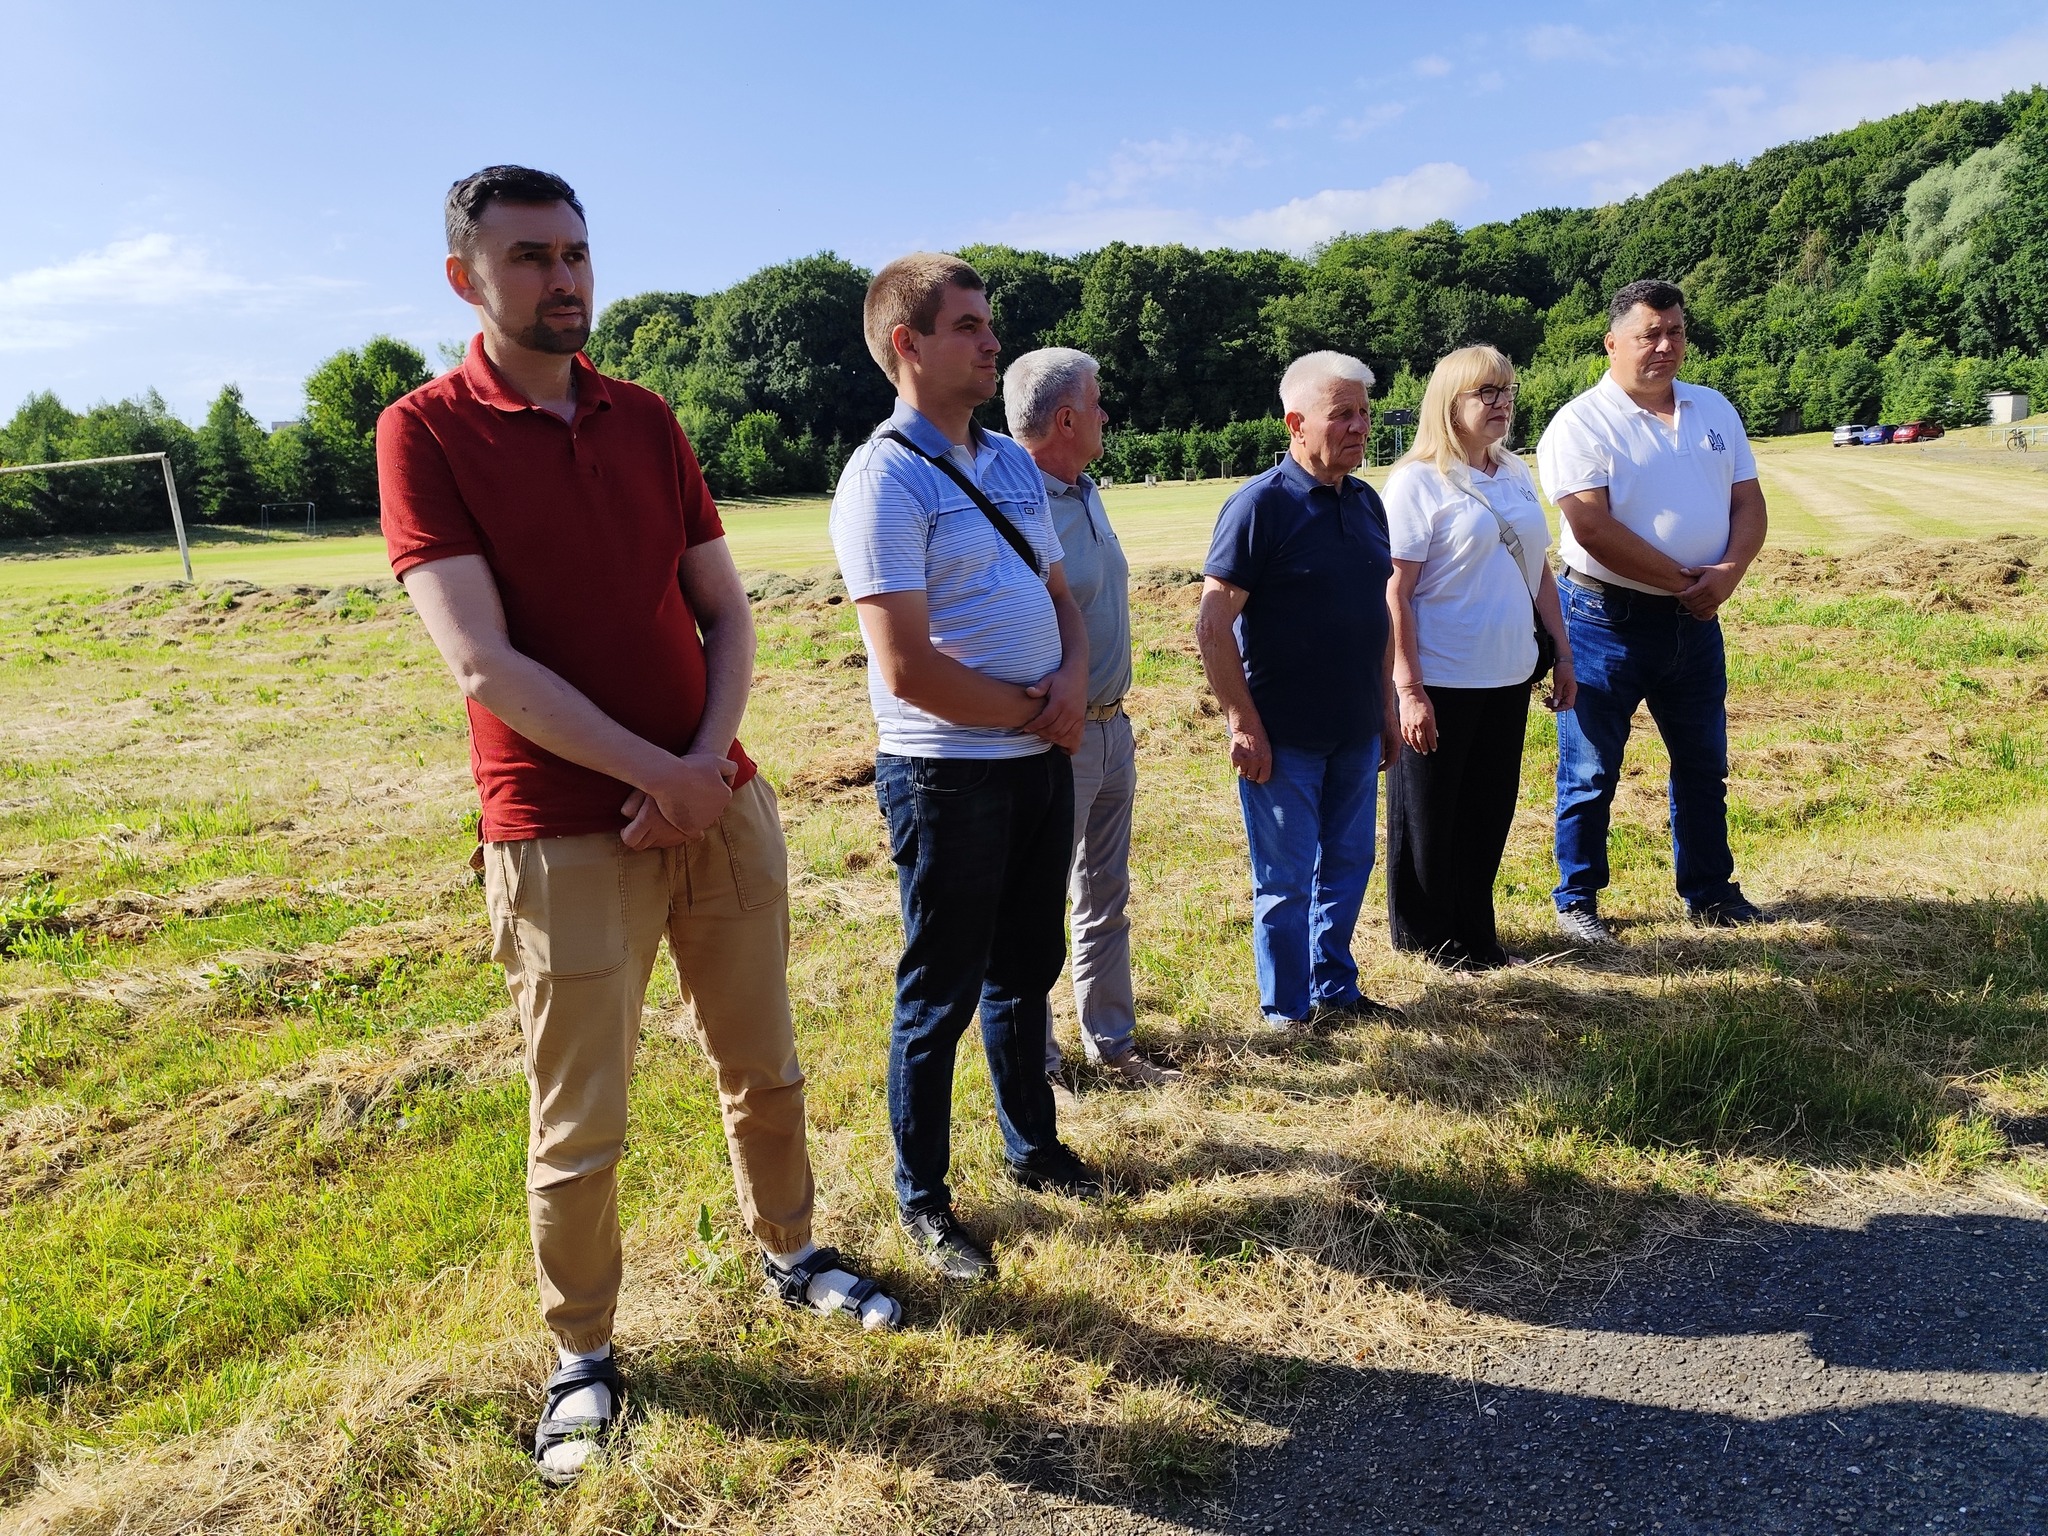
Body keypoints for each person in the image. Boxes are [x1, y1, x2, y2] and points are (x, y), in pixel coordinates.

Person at [377, 166, 899, 1485]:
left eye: (575, 252)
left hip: (719, 802)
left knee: (764, 1068)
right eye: (530, 257)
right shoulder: (423, 431)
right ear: (465, 278)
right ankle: (583, 1356)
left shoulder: (647, 416)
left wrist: (703, 767)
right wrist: (658, 776)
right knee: (581, 1124)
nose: (563, 278)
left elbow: (724, 610)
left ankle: (792, 1253)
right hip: (561, 830)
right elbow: (483, 664)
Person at [828, 254, 1107, 1286]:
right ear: (907, 345)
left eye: (990, 324)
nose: (993, 343)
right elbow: (905, 667)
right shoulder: (883, 479)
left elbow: (1061, 597)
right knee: (938, 992)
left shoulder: (1010, 466)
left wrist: (1068, 681)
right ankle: (924, 1200)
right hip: (948, 775)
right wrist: (1046, 708)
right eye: (968, 327)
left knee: (1025, 969)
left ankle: (1033, 1149)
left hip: (1038, 759)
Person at [1535, 278, 1770, 944]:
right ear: (1612, 343)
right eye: (1649, 334)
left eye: (1675, 332)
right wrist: (1688, 583)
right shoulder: (1581, 423)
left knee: (1703, 763)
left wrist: (1727, 575)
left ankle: (1710, 893)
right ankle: (1577, 899)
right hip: (1603, 620)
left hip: (1695, 622)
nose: (1665, 346)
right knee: (1589, 770)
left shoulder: (1713, 408)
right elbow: (1592, 527)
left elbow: (1749, 503)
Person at [1195, 351, 1402, 1030]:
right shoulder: (1260, 507)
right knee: (1284, 882)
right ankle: (1286, 1010)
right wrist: (1241, 722)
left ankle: (1335, 987)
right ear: (1296, 423)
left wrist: (1387, 705)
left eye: (1364, 412)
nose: (1360, 426)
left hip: (1356, 729)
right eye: (1342, 414)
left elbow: (1379, 615)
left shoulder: (1367, 503)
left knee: (1349, 864)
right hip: (1282, 738)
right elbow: (1212, 625)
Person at [1003, 347, 1183, 1090]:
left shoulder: (1085, 490)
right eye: (1097, 401)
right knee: (1036, 903)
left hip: (1113, 729)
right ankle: (1039, 1068)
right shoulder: (1014, 505)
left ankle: (1113, 1045)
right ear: (1067, 419)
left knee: (1105, 893)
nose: (1107, 413)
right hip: (1055, 739)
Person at [1383, 345, 1576, 969]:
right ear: (1449, 404)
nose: (1502, 404)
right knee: (1429, 819)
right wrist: (1408, 689)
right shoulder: (1417, 481)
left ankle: (1477, 935)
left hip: (1510, 672)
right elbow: (1396, 592)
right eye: (1486, 393)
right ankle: (1429, 943)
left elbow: (1538, 570)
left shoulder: (1514, 471)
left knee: (1488, 812)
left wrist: (1563, 652)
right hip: (1441, 676)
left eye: (1507, 391)